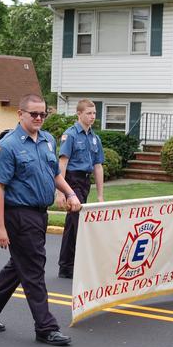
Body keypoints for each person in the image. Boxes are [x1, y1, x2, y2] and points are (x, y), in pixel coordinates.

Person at [0, 94, 81, 347]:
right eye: (34, 114)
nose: (39, 118)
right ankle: (46, 327)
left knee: (19, 265)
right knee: (33, 269)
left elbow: (54, 174)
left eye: (43, 114)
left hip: (39, 214)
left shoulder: (47, 140)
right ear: (19, 114)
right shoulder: (8, 145)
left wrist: (70, 192)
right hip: (18, 215)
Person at [56, 99, 105, 279]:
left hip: (84, 182)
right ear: (79, 114)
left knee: (72, 224)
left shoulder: (94, 138)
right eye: (88, 113)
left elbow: (98, 166)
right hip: (71, 181)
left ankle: (66, 266)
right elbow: (62, 163)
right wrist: (61, 192)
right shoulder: (70, 135)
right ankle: (86, 266)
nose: (92, 117)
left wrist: (100, 194)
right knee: (80, 224)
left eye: (94, 113)